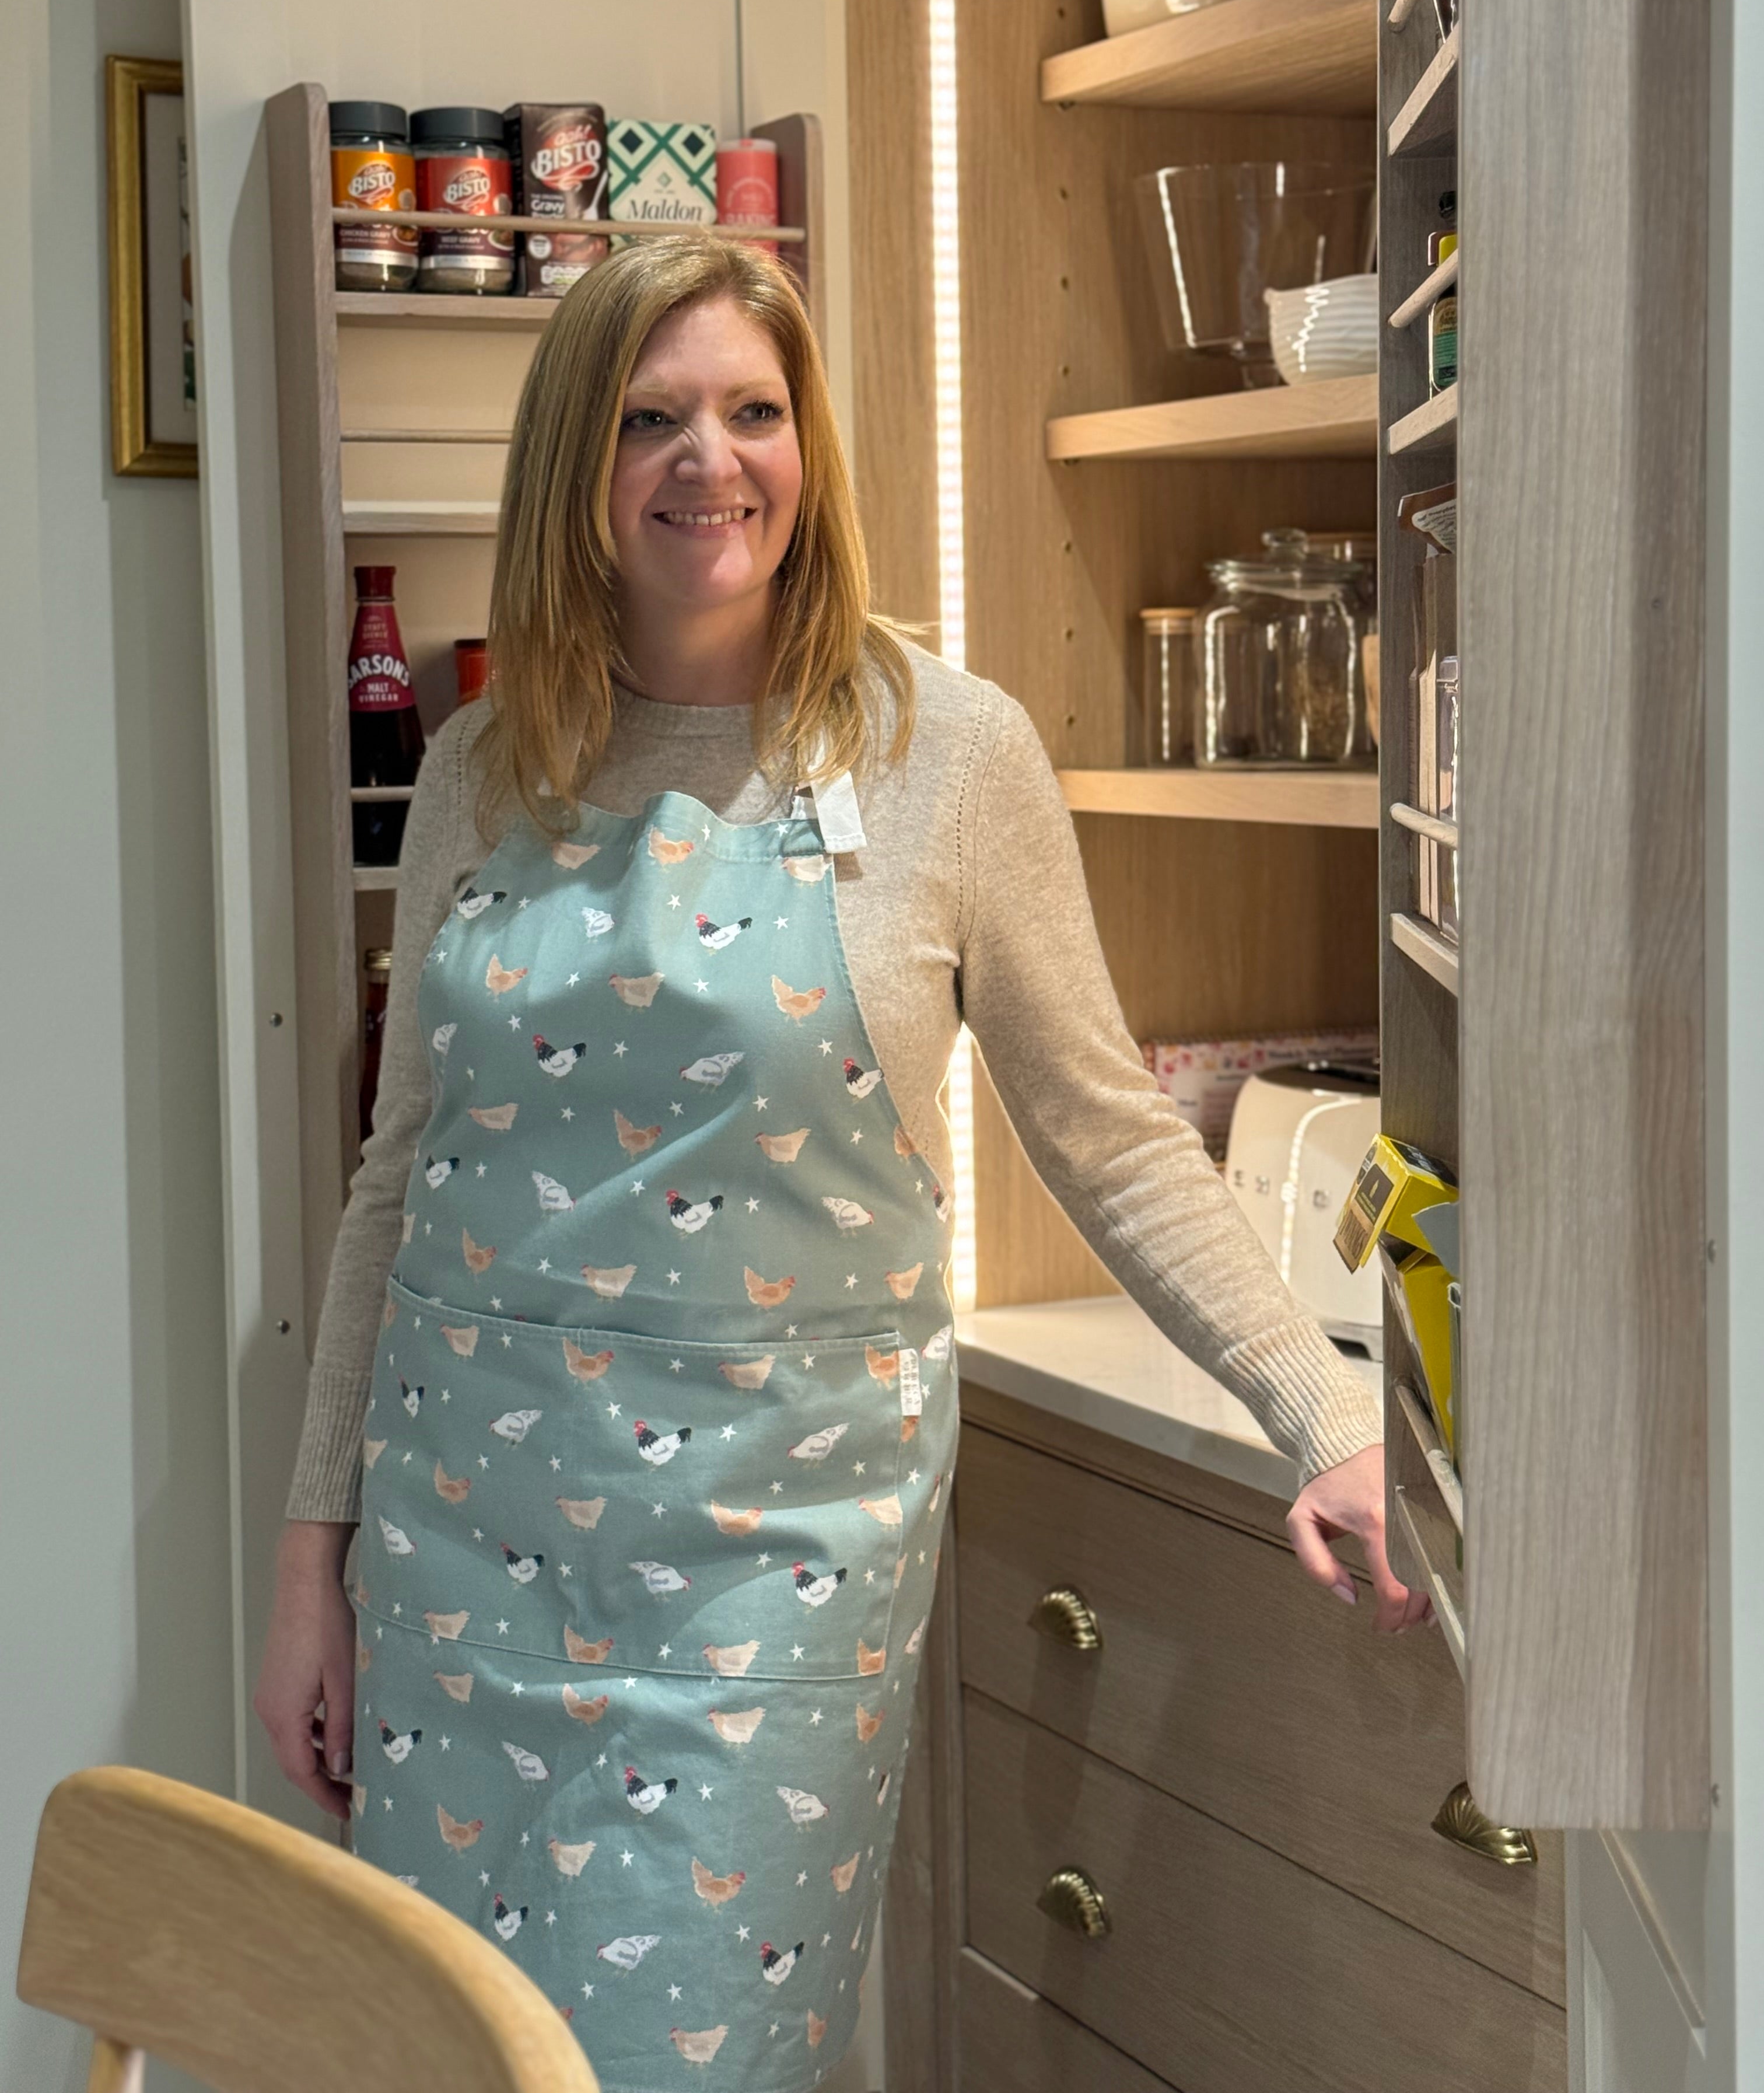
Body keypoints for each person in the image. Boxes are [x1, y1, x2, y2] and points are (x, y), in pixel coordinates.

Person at [256, 236, 1420, 2089]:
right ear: (579, 461)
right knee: (446, 2056)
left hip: (765, 1588)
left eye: (751, 411)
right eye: (649, 418)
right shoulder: (484, 763)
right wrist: (311, 1562)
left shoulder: (949, 756)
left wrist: (1319, 1411)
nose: (706, 461)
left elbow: (1109, 1138)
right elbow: (398, 1185)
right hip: (459, 1561)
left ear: (809, 451)